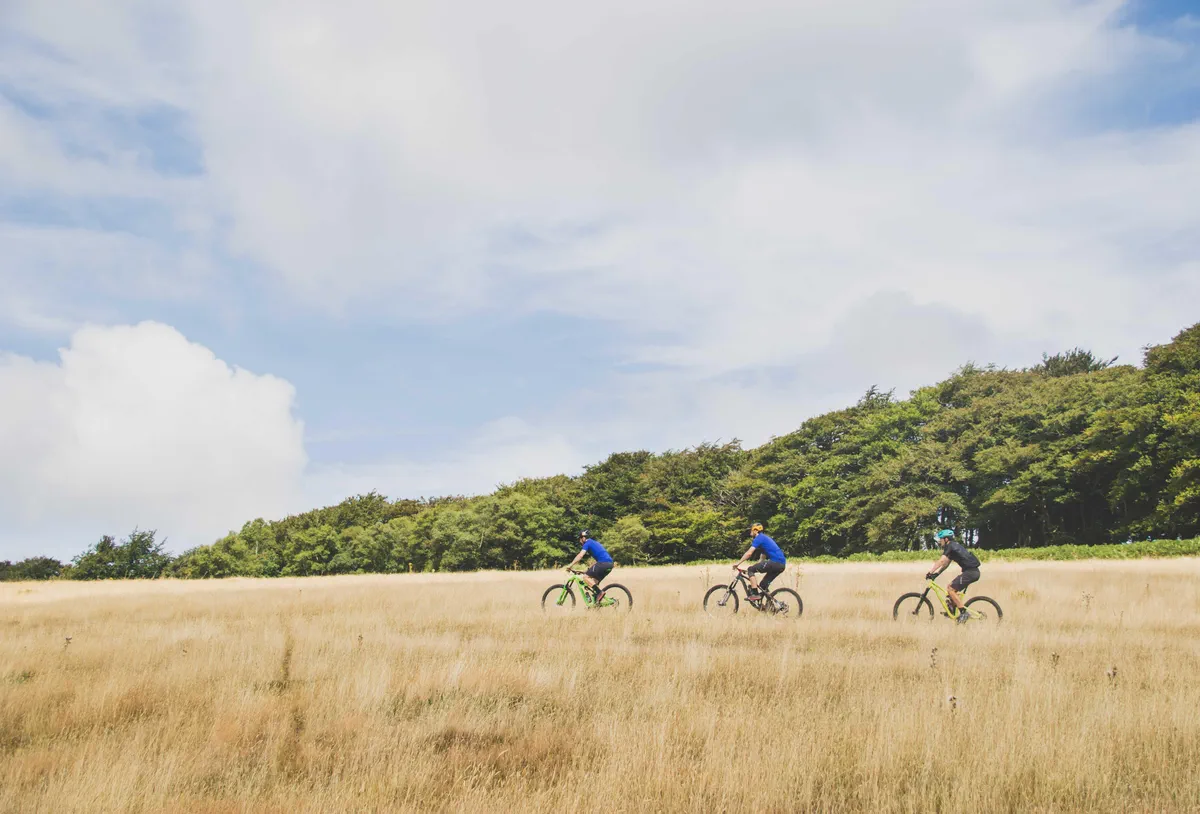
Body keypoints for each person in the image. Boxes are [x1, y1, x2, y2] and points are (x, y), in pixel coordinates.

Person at [926, 529, 981, 624]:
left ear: (946, 539)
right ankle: (952, 610)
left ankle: (964, 613)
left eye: (941, 539)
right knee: (950, 589)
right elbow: (946, 564)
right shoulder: (953, 547)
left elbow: (941, 561)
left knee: (950, 589)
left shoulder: (950, 546)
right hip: (971, 572)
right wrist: (937, 574)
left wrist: (930, 572)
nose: (939, 541)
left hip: (971, 572)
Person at [733, 523, 786, 605]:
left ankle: (755, 594)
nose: (750, 532)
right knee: (763, 585)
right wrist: (753, 569)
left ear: (755, 531)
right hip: (781, 564)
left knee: (750, 569)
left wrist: (738, 563)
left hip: (776, 562)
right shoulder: (764, 539)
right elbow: (762, 558)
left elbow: (749, 553)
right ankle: (771, 606)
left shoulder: (759, 538)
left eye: (751, 530)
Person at [566, 530, 614, 604]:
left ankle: (600, 593)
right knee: (593, 583)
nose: (580, 541)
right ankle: (596, 604)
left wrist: (570, 565)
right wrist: (588, 571)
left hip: (603, 563)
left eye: (580, 539)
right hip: (609, 564)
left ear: (583, 538)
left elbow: (580, 555)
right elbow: (599, 557)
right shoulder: (594, 542)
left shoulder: (587, 543)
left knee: (585, 577)